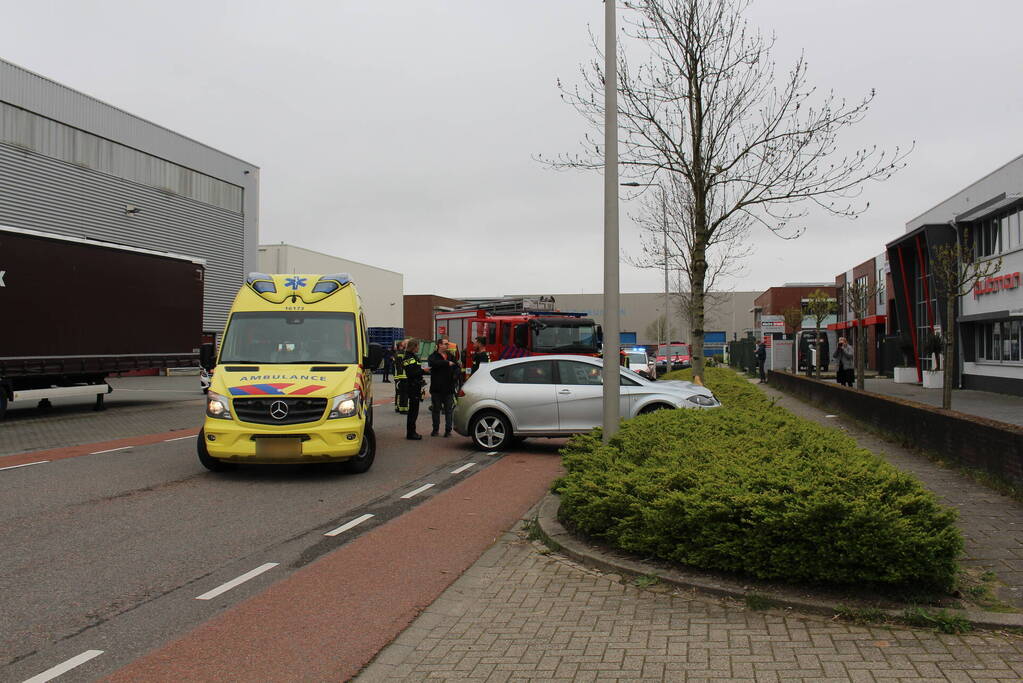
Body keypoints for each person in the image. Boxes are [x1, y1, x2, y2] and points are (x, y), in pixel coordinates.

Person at [428, 338, 460, 437]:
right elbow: (433, 364)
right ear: (439, 345)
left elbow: (457, 367)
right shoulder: (433, 356)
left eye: (447, 344)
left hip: (449, 388)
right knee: (436, 409)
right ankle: (435, 430)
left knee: (448, 410)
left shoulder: (451, 356)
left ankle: (448, 430)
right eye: (445, 344)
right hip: (437, 388)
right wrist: (446, 363)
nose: (447, 346)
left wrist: (455, 376)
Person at [403, 339, 425, 439]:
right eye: (417, 346)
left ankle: (412, 432)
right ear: (414, 346)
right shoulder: (408, 357)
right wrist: (423, 371)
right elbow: (411, 372)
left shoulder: (412, 356)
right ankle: (411, 433)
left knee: (414, 410)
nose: (418, 348)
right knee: (413, 411)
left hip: (415, 385)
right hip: (412, 386)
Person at [393, 339, 408, 413]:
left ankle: (397, 406)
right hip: (400, 376)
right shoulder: (400, 354)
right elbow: (400, 366)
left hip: (399, 376)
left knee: (399, 392)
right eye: (403, 345)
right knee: (400, 393)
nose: (404, 346)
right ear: (399, 347)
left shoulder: (399, 353)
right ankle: (399, 407)